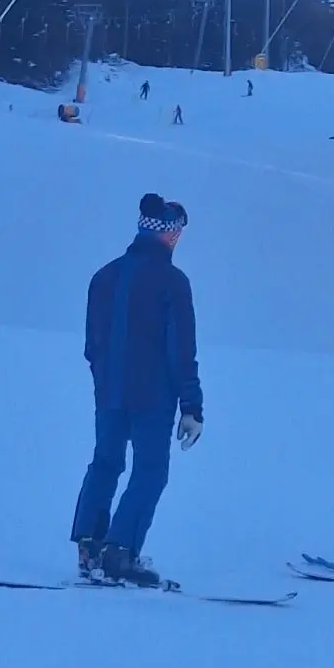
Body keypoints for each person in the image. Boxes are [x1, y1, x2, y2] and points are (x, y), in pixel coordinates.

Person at [71, 193, 203, 587]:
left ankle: (90, 546)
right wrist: (191, 406)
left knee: (105, 462)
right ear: (170, 234)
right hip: (152, 396)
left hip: (108, 391)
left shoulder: (103, 276)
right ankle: (121, 552)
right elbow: (181, 350)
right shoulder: (173, 283)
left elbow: (91, 345)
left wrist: (104, 378)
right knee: (151, 470)